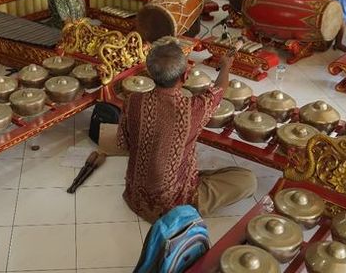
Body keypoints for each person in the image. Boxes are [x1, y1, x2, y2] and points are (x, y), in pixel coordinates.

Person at [94, 38, 257, 222]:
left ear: (150, 73)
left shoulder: (133, 101)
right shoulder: (192, 109)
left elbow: (123, 144)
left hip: (134, 197)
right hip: (173, 206)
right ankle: (188, 205)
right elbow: (219, 90)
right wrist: (226, 65)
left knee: (203, 170)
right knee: (248, 179)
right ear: (185, 76)